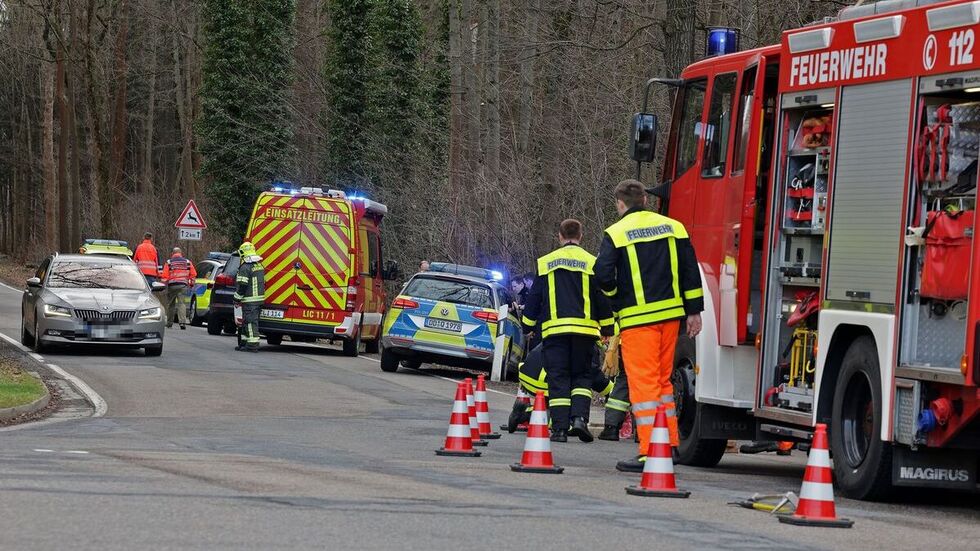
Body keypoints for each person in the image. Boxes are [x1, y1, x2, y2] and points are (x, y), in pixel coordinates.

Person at [595, 179, 703, 472]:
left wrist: (617, 299)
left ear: (620, 203)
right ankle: (668, 444)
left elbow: (603, 276)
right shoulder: (674, 227)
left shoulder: (616, 233)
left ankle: (648, 451)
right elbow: (690, 271)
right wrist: (694, 311)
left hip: (638, 320)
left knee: (643, 385)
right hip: (671, 318)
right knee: (663, 382)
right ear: (644, 199)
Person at [522, 219, 615, 442]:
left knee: (558, 378)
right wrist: (608, 328)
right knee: (582, 377)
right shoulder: (592, 263)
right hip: (585, 333)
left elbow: (535, 298)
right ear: (581, 236)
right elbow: (601, 299)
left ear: (560, 236)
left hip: (555, 333)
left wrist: (527, 325)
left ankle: (560, 430)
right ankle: (579, 420)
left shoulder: (546, 263)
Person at [508, 341, 614, 432]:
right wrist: (612, 391)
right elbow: (593, 374)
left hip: (528, 374)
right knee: (562, 417)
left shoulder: (563, 334)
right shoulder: (587, 344)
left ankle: (527, 412)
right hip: (545, 380)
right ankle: (524, 414)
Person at [234, 242, 266, 352]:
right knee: (246, 322)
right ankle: (244, 343)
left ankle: (252, 345)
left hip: (249, 299)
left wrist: (237, 298)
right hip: (258, 299)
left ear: (243, 253)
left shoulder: (245, 267)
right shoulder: (259, 265)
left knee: (250, 322)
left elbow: (242, 285)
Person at [161, 247, 197, 330]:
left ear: (173, 254)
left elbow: (165, 276)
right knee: (182, 304)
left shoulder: (169, 262)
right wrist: (191, 284)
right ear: (181, 253)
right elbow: (193, 274)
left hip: (172, 286)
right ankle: (182, 323)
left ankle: (169, 323)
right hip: (183, 285)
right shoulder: (187, 262)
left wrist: (163, 285)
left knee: (171, 304)